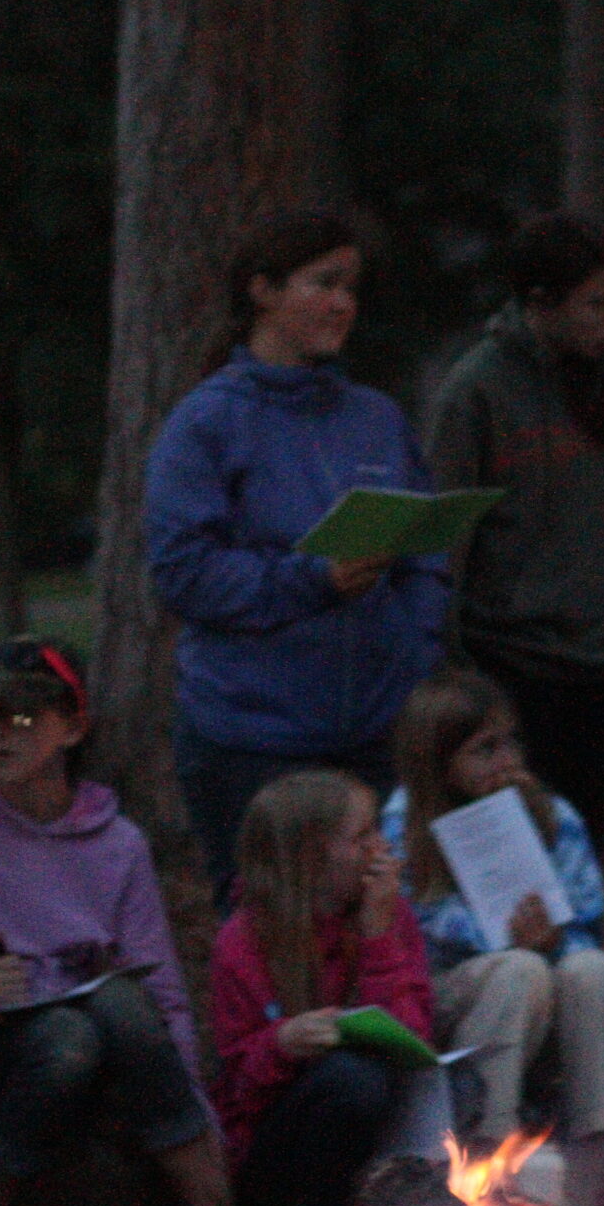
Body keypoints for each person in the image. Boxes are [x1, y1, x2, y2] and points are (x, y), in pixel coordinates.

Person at [0, 639, 239, 1206]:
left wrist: (189, 1096)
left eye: (21, 718)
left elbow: (161, 989)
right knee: (67, 1038)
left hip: (100, 1036)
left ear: (72, 728)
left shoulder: (118, 843)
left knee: (118, 1006)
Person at [147, 209, 451, 899]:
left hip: (373, 735)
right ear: (263, 291)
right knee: (270, 933)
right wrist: (311, 579)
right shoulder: (206, 422)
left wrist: (412, 651)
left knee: (378, 925)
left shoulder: (375, 417)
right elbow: (182, 571)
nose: (344, 303)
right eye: (324, 283)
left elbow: (424, 553)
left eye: (352, 287)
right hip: (252, 738)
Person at [422, 212, 604, 854]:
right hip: (512, 670)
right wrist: (456, 679)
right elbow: (444, 551)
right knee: (516, 864)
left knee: (585, 856)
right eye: (597, 303)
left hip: (600, 671)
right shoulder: (476, 394)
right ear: (540, 304)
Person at [382, 669, 604, 1204]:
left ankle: (594, 1161)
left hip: (539, 972)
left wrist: (552, 936)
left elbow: (585, 912)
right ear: (440, 760)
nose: (505, 760)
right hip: (450, 991)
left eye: (510, 742)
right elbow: (414, 924)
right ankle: (489, 1154)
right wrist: (504, 939)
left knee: (592, 970)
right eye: (484, 749)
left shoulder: (551, 814)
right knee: (519, 969)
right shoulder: (404, 822)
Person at [208, 770, 436, 1206]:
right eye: (362, 837)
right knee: (352, 1080)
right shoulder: (244, 940)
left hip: (384, 1137)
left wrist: (377, 936)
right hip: (280, 1157)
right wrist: (281, 1044)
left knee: (387, 1078)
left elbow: (413, 1038)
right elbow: (234, 1096)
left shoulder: (387, 912)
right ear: (313, 857)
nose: (380, 847)